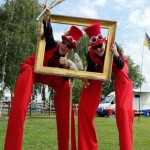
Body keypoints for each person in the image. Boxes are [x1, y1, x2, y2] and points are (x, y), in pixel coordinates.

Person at [4, 9, 83, 150]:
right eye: (64, 43)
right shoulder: (52, 45)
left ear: (70, 50)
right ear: (61, 42)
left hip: (53, 78)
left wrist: (66, 68)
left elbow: (65, 78)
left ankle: (67, 146)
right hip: (34, 70)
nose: (65, 47)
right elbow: (49, 35)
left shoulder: (66, 61)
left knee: (66, 87)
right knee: (27, 76)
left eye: (69, 46)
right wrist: (47, 19)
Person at [78, 23, 134, 150]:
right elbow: (91, 70)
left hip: (119, 67)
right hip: (99, 71)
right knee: (84, 109)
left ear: (104, 42)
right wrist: (85, 77)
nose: (98, 49)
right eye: (95, 47)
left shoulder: (113, 46)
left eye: (100, 45)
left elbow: (120, 66)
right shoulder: (90, 55)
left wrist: (116, 54)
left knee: (124, 110)